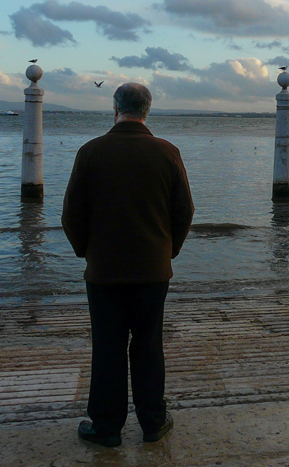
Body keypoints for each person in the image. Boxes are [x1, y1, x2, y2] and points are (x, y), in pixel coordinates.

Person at [62, 82, 194, 447]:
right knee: (149, 345)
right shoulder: (167, 152)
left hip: (104, 272)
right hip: (153, 270)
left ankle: (106, 427)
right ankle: (153, 422)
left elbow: (72, 214)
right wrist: (169, 251)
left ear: (114, 108)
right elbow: (184, 211)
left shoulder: (90, 152)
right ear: (147, 111)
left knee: (107, 346)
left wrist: (85, 251)